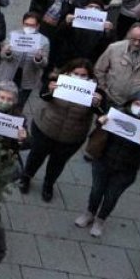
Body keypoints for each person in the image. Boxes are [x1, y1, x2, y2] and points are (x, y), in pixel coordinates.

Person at [21, 59, 105, 202]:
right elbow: (43, 96)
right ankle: (26, 177)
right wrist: (50, 91)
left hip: (72, 136)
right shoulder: (57, 80)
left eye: (83, 75)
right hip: (46, 128)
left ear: (89, 76)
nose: (79, 77)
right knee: (36, 156)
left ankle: (48, 184)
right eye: (76, 73)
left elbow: (101, 113)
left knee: (58, 163)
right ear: (68, 72)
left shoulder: (95, 91)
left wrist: (97, 104)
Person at [78, 92, 140, 237]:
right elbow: (100, 125)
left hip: (127, 168)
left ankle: (100, 220)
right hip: (104, 160)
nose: (139, 108)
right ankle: (89, 213)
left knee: (111, 196)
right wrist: (101, 121)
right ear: (131, 102)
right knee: (96, 190)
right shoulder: (117, 113)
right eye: (137, 104)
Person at [94, 24, 140, 109]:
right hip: (111, 99)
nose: (136, 43)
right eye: (133, 39)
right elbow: (99, 69)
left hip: (137, 104)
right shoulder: (114, 48)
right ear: (128, 35)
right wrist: (104, 88)